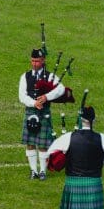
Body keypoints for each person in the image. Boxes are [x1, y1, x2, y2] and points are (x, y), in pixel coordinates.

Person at [18, 48, 64, 180]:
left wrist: (47, 97)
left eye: (37, 61)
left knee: (43, 144)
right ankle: (33, 171)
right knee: (30, 143)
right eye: (32, 61)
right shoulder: (25, 76)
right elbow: (22, 96)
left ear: (43, 61)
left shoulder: (50, 76)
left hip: (44, 113)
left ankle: (43, 171)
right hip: (31, 111)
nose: (34, 64)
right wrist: (34, 103)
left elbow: (60, 89)